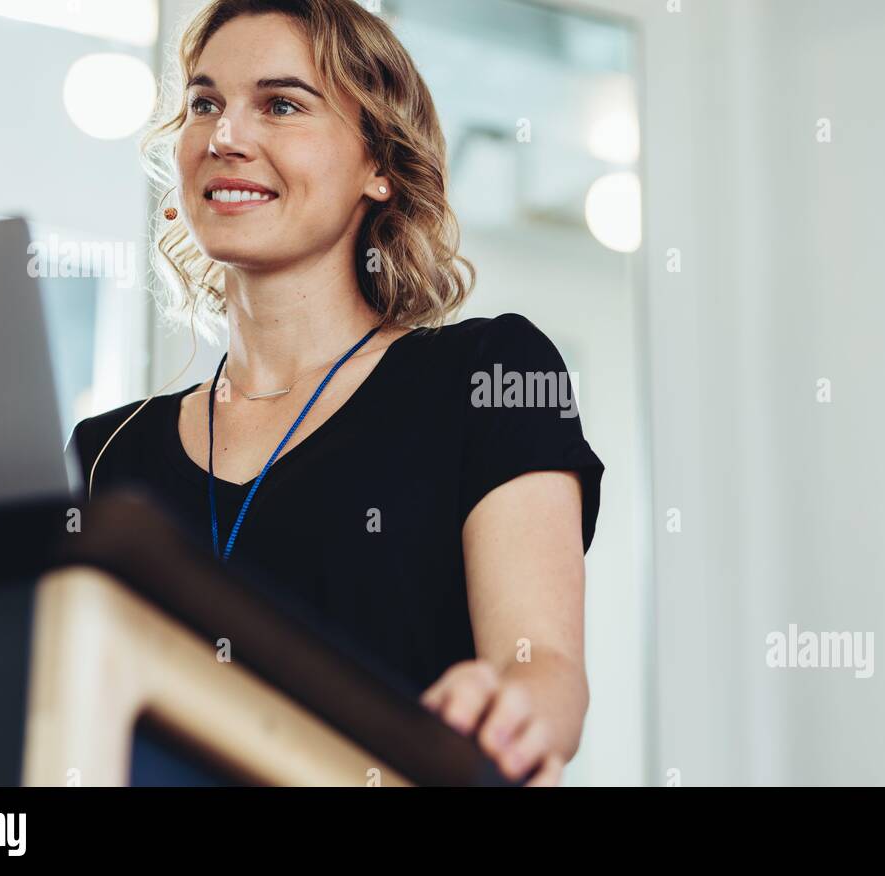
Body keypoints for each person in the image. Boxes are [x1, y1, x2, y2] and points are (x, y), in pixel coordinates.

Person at [68, 0, 603, 787]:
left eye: (281, 105)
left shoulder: (485, 374)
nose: (225, 137)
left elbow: (547, 670)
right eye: (205, 103)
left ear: (378, 166)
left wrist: (514, 705)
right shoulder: (108, 451)